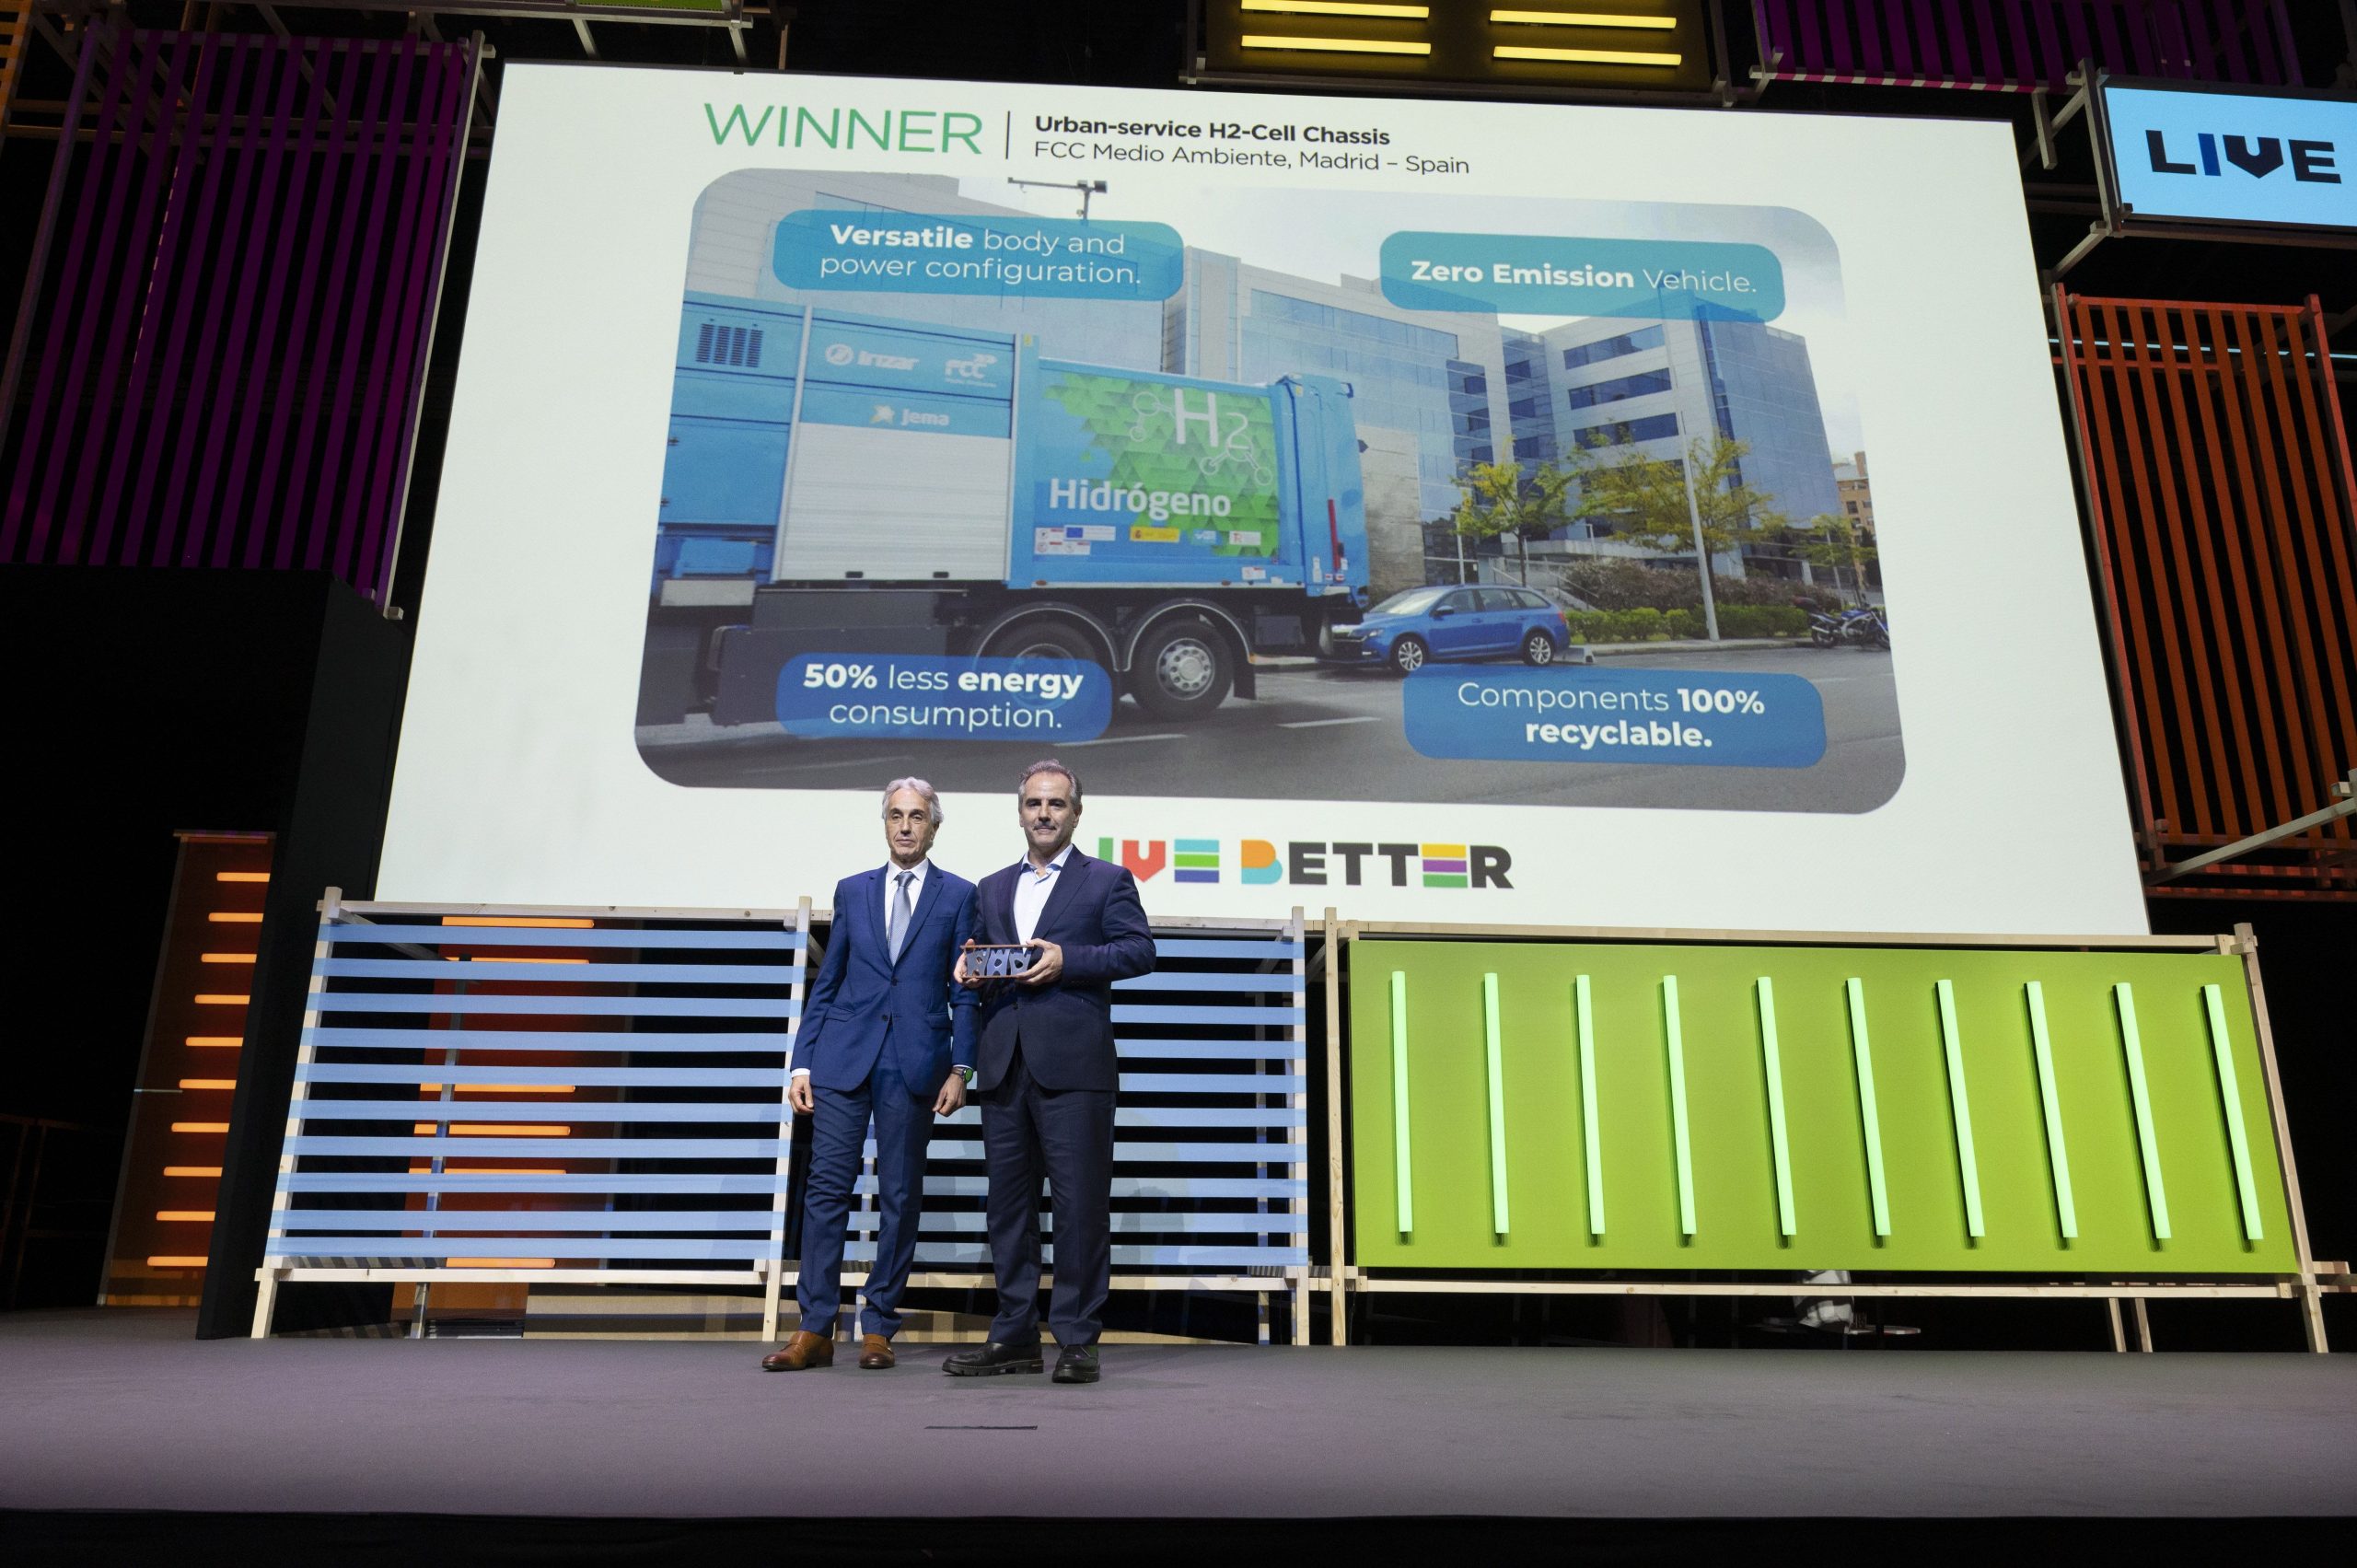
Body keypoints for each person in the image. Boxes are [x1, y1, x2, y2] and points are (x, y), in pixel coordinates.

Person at [944, 759, 1154, 1385]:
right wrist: (971, 969)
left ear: (1076, 813)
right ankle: (1014, 1335)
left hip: (1075, 1069)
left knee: (1078, 1207)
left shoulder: (1107, 879)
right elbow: (982, 959)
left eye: (1056, 803)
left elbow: (1139, 950)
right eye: (1034, 803)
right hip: (1003, 1065)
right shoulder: (990, 887)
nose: (1044, 813)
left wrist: (1069, 960)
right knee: (1008, 1209)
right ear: (1020, 813)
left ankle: (1077, 1338)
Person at [761, 778, 977, 1373]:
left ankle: (878, 1324)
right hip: (841, 1059)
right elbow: (829, 982)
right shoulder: (852, 890)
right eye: (895, 815)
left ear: (934, 826)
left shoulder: (960, 894)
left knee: (901, 1196)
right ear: (885, 824)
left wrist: (962, 1067)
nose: (905, 826)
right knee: (826, 1189)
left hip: (914, 1061)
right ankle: (814, 1327)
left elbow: (965, 991)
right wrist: (803, 1060)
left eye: (916, 816)